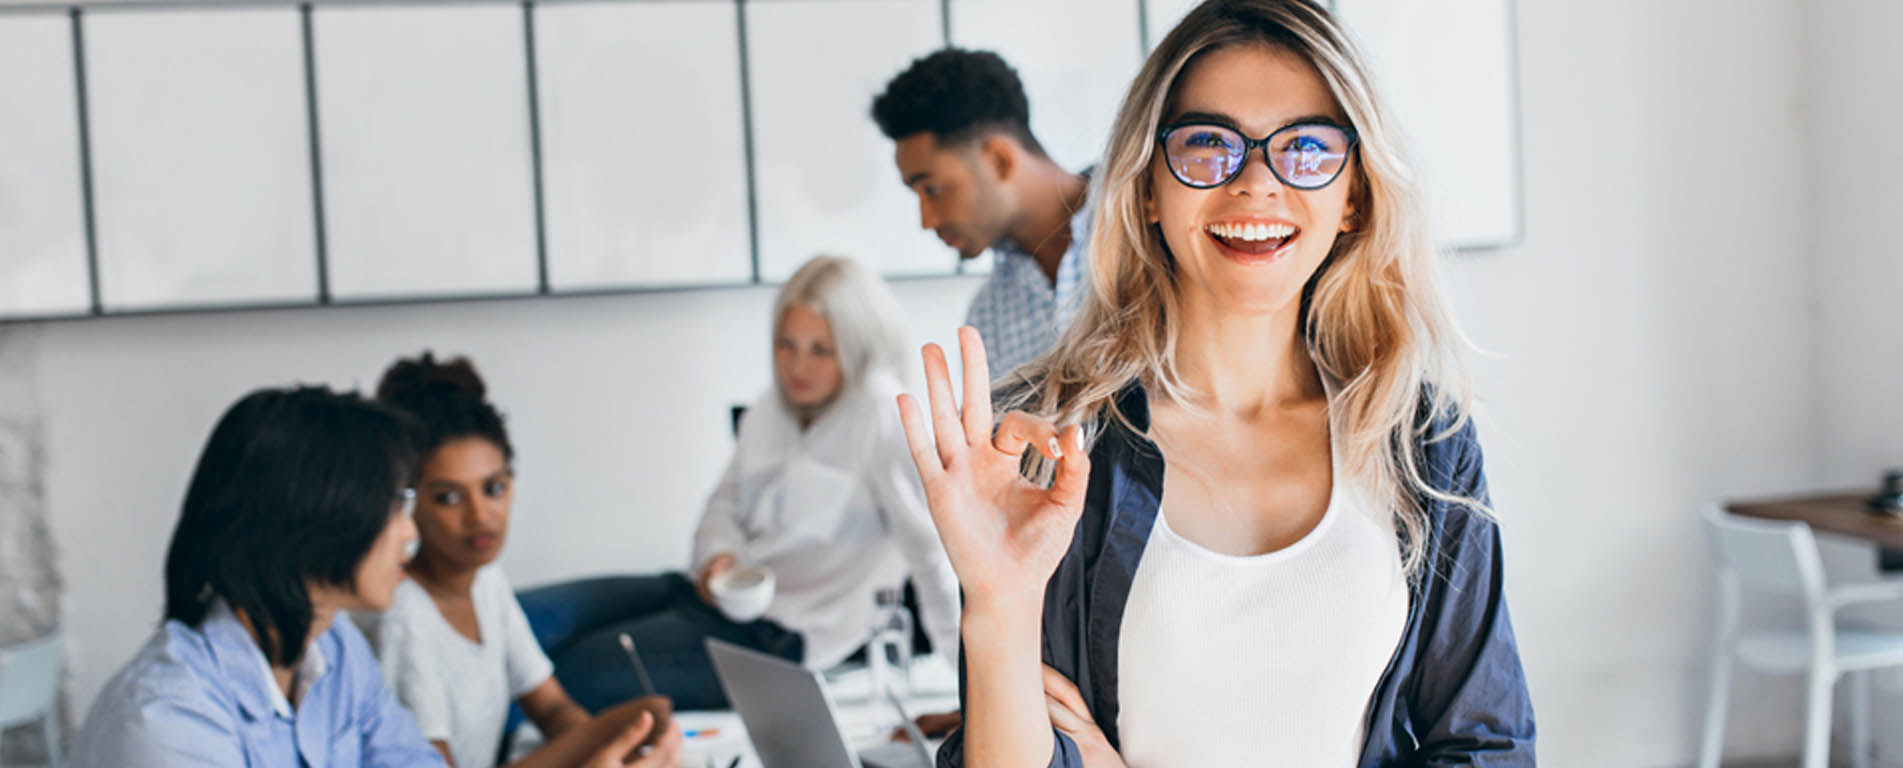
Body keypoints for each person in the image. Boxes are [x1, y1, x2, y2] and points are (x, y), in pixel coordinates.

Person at [893, 1, 1536, 765]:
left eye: (1305, 147)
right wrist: (996, 606)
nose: (1255, 182)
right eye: (1205, 144)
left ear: (1354, 195)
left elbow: (1486, 746)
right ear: (1145, 189)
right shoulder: (1062, 445)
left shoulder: (1416, 436)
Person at [70, 385, 675, 767]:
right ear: (313, 523)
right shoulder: (167, 725)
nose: (410, 532)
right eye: (395, 506)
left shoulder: (334, 652)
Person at [525, 256, 960, 713]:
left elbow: (930, 552)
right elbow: (722, 505)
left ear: (857, 351)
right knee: (528, 621)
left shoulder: (880, 414)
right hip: (707, 597)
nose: (798, 366)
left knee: (557, 676)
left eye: (820, 350)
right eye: (787, 345)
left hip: (773, 640)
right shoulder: (771, 407)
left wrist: (968, 682)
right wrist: (718, 557)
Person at [373, 354, 679, 768]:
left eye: (494, 488)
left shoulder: (486, 580)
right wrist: (606, 732)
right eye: (448, 497)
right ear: (408, 503)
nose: (480, 516)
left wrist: (619, 746)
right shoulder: (404, 619)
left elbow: (551, 708)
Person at [873, 49, 1093, 378]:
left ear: (999, 160)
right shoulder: (989, 318)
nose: (927, 221)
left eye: (932, 190)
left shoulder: (1149, 222)